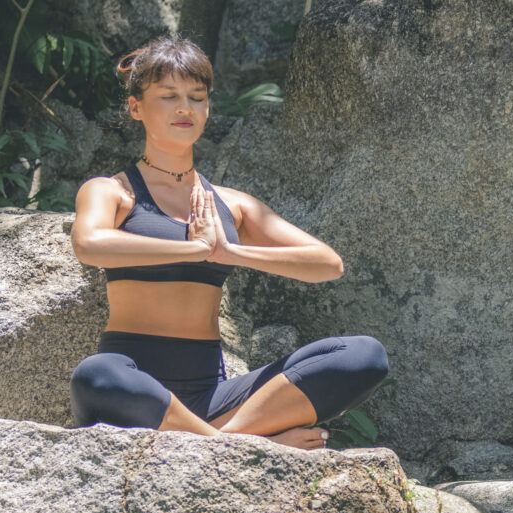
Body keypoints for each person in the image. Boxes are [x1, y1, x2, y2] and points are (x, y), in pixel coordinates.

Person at [67, 37, 387, 449]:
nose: (185, 108)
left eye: (197, 97)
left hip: (215, 398)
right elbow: (88, 244)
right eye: (168, 96)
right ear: (136, 108)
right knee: (95, 375)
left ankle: (218, 441)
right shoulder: (113, 191)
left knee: (363, 355)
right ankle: (243, 446)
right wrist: (194, 249)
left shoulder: (232, 204)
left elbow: (328, 264)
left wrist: (229, 252)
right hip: (134, 387)